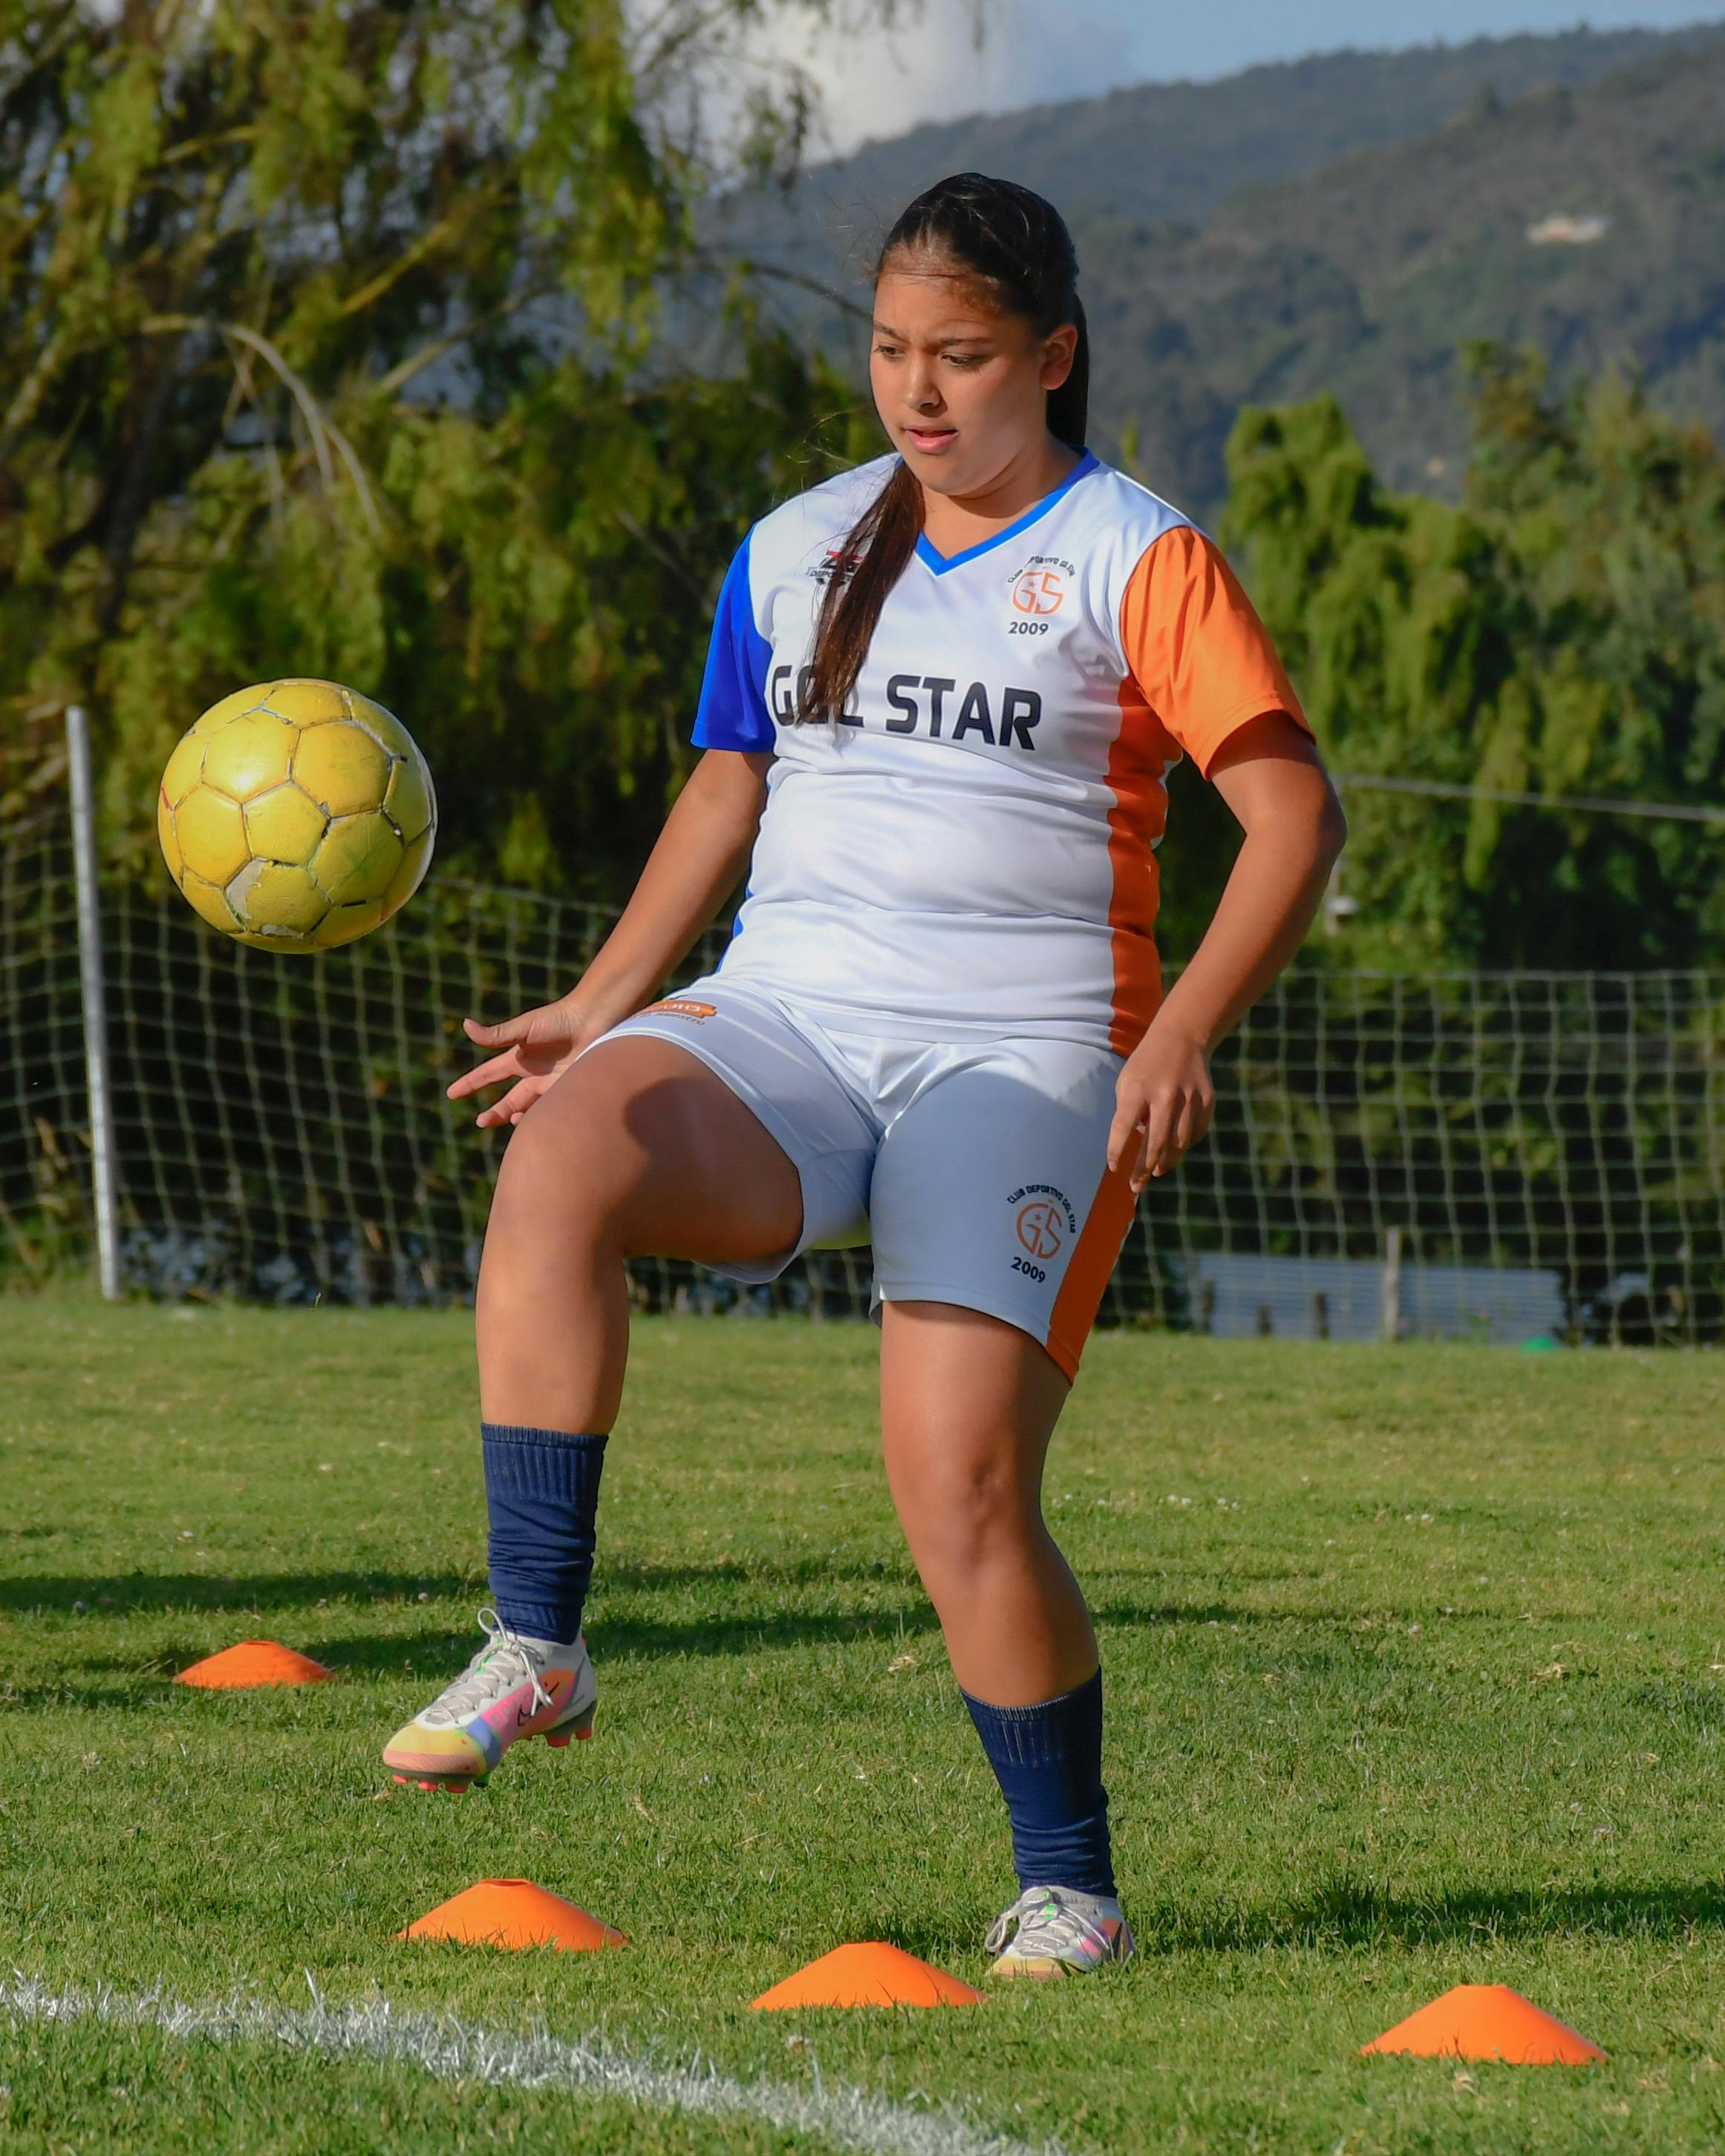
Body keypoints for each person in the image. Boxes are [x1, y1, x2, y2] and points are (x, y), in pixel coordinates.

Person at [383, 172, 1345, 1980]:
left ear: (1050, 357)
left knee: (957, 1482)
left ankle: (1071, 1886)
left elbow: (1291, 814)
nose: (920, 389)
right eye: (893, 350)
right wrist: (605, 1000)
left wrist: (1182, 1028)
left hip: (1033, 1051)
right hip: (794, 1024)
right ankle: (540, 1644)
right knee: (563, 1154)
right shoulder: (794, 542)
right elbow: (728, 784)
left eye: (963, 355)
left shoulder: (1136, 551)